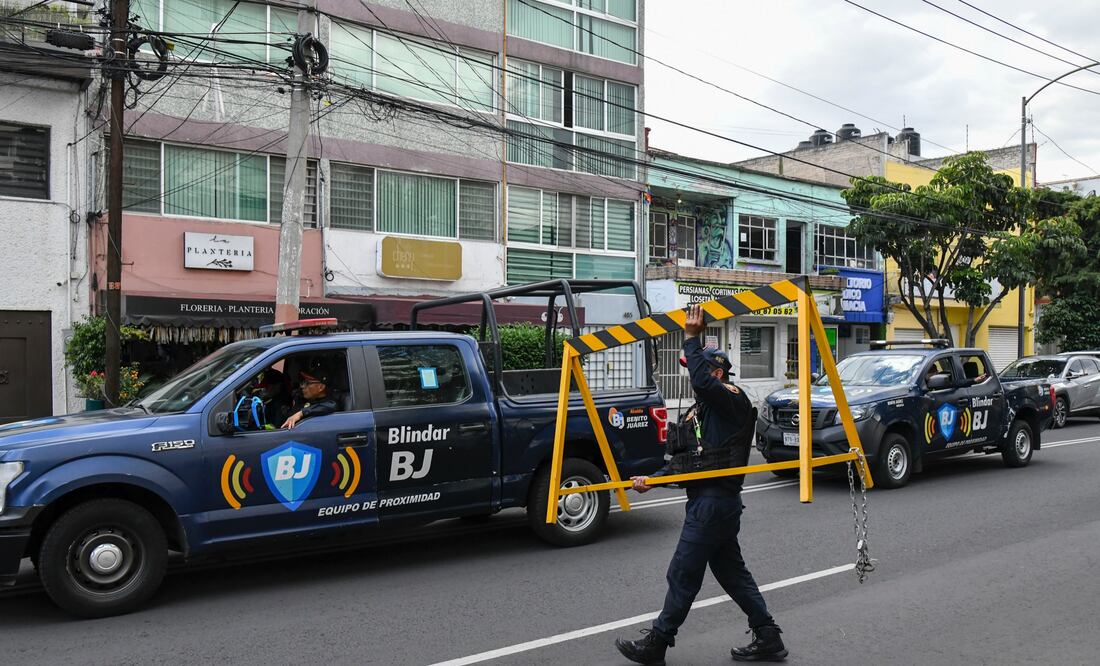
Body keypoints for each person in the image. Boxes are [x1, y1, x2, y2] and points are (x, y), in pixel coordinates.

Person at [615, 304, 788, 664]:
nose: (694, 375)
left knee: (682, 571)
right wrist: (654, 480)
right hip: (709, 504)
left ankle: (658, 643)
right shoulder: (702, 414)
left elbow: (703, 382)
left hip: (714, 504)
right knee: (731, 574)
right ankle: (769, 636)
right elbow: (688, 462)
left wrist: (692, 338)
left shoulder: (733, 400)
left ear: (719, 372)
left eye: (701, 368)